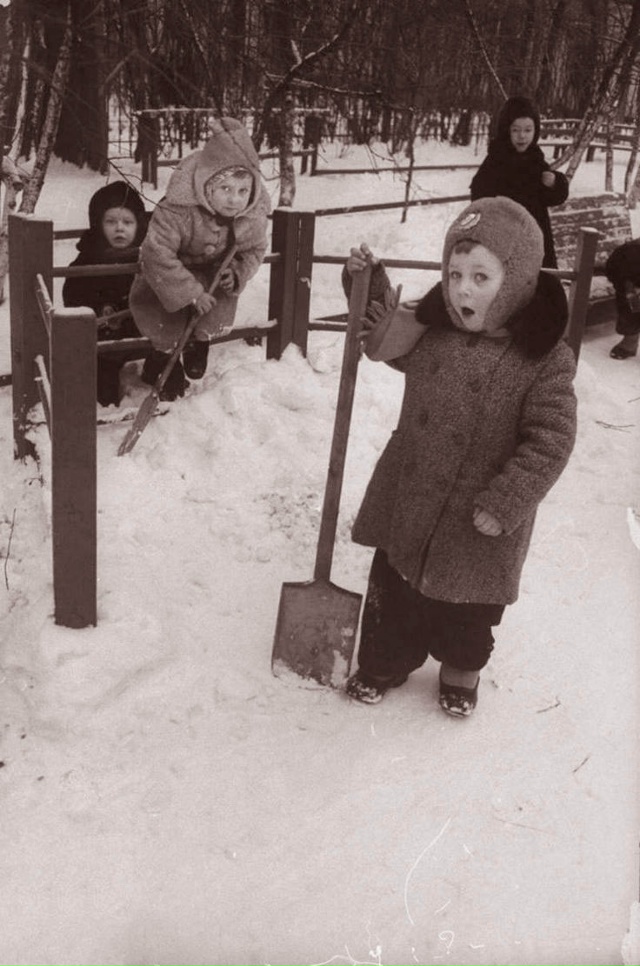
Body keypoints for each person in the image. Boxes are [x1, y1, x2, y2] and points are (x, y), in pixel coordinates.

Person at [342, 196, 577, 717]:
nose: (461, 289)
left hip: (478, 515)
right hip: (412, 494)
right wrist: (367, 280)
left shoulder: (543, 359)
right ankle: (384, 662)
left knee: (468, 613)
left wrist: (508, 500)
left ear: (515, 280)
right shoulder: (435, 331)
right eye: (453, 273)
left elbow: (552, 439)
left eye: (480, 277)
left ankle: (460, 671)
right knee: (394, 590)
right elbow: (386, 334)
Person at [129, 117, 271, 400]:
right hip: (167, 279)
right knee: (165, 324)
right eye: (226, 190)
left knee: (212, 309)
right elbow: (156, 253)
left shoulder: (249, 216)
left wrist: (239, 271)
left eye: (243, 191)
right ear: (207, 186)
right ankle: (162, 358)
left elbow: (255, 249)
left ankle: (198, 341)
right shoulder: (178, 210)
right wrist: (191, 293)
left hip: (213, 278)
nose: (235, 200)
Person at [62, 180, 148, 407]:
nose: (119, 228)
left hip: (145, 332)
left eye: (127, 222)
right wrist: (99, 309)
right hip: (104, 338)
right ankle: (106, 400)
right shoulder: (87, 259)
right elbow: (74, 296)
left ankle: (161, 383)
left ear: (139, 225)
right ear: (97, 224)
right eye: (110, 221)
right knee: (102, 387)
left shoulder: (150, 257)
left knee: (165, 355)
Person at [470, 95, 569, 269]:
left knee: (542, 286)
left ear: (535, 131)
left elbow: (552, 198)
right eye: (515, 130)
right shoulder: (496, 159)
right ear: (506, 130)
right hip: (504, 240)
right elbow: (478, 196)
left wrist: (555, 183)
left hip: (536, 239)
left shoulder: (536, 159)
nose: (522, 136)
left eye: (528, 130)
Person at [604, 239, 640, 359]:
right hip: (627, 270)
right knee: (629, 301)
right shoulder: (625, 256)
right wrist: (631, 289)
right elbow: (613, 269)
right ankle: (630, 340)